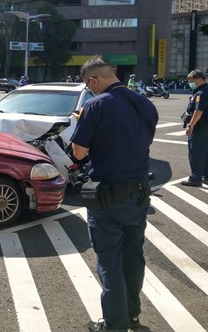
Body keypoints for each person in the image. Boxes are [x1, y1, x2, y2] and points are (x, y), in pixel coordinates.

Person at [70, 57, 158, 332]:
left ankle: (114, 324)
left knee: (109, 262)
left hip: (107, 197)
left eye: (88, 84)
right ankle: (131, 314)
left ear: (94, 80)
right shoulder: (144, 103)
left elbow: (79, 152)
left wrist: (81, 122)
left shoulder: (94, 106)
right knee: (133, 257)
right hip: (140, 193)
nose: (89, 89)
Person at [181, 69, 208, 187]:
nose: (190, 83)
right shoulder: (205, 90)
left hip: (200, 127)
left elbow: (198, 111)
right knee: (205, 153)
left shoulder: (201, 93)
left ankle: (196, 178)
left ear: (200, 80)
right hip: (206, 126)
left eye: (192, 81)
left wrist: (191, 126)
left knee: (196, 153)